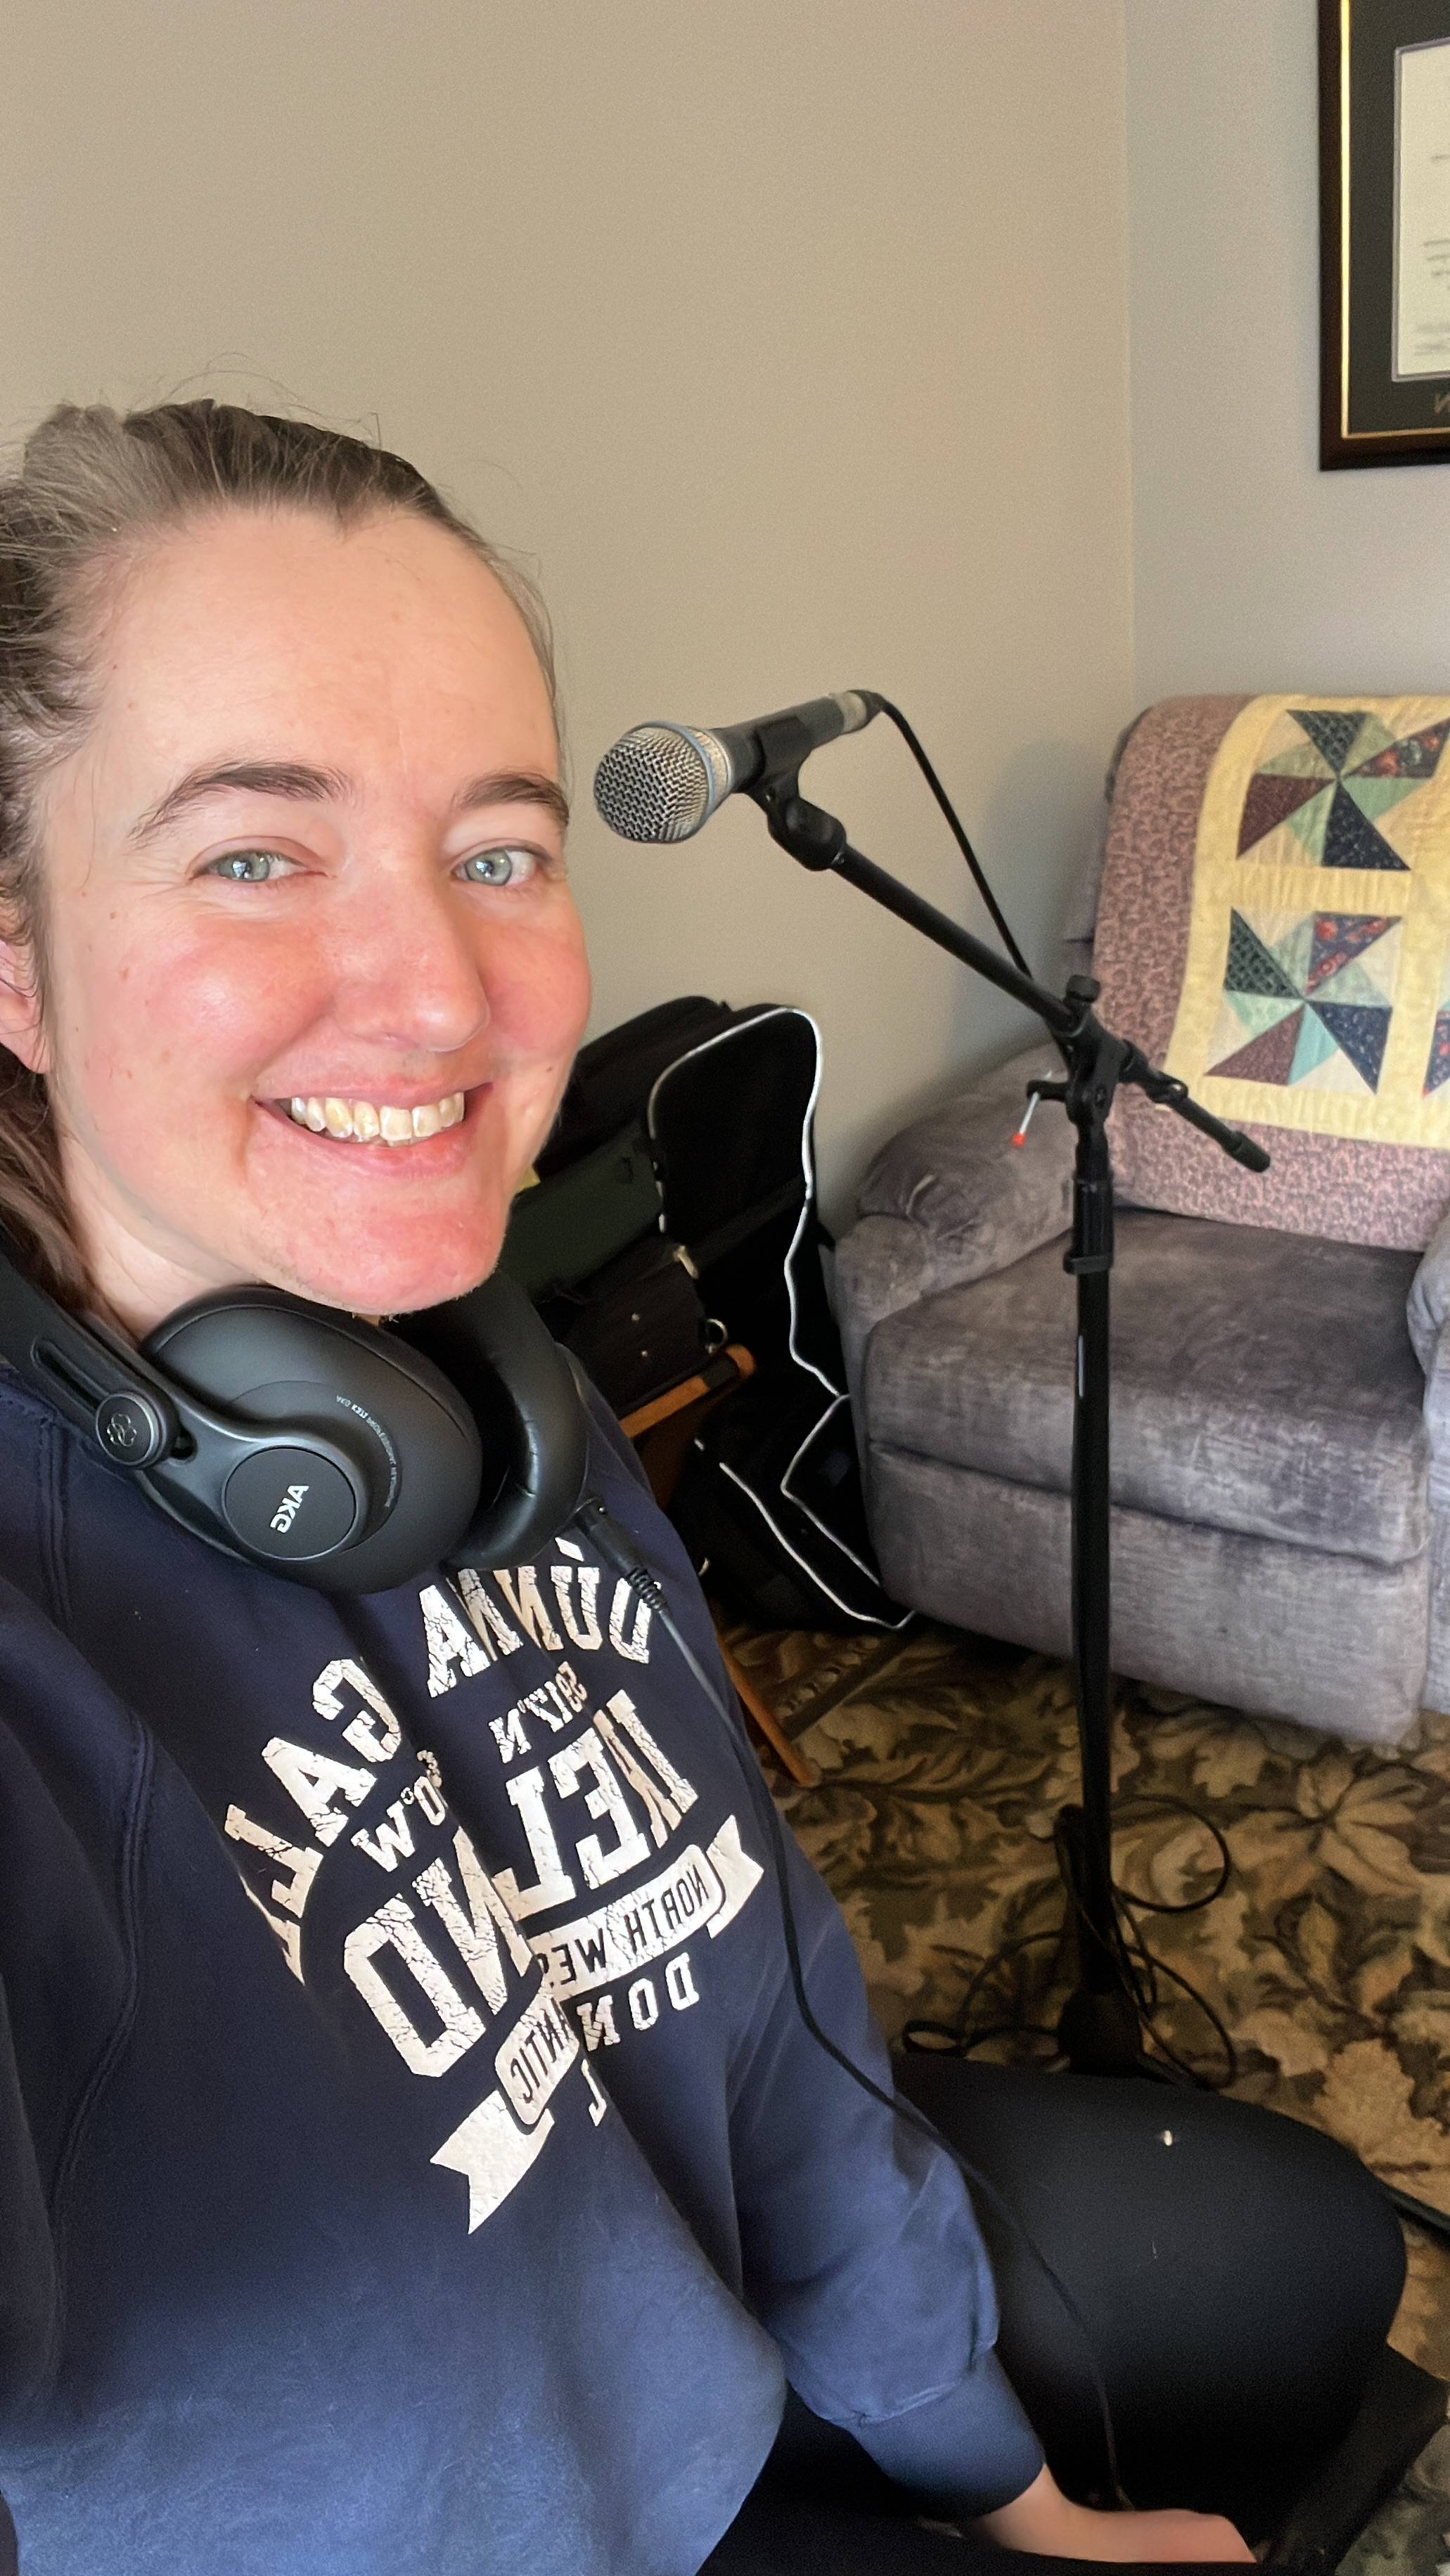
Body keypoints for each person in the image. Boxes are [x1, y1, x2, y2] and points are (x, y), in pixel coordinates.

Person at [0, 400, 1401, 2575]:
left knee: (1310, 2266)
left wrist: (1004, 2492)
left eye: (498, 849)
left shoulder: (495, 1401)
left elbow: (753, 1986)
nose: (442, 991)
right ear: (17, 956)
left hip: (702, 2303)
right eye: (256, 853)